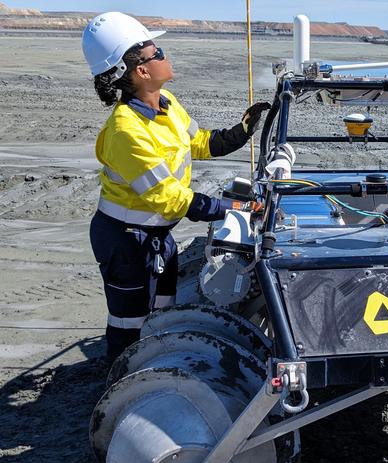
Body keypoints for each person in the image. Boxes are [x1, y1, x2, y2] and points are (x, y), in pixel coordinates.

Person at [81, 12, 270, 362]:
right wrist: (231, 209)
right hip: (127, 241)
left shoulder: (166, 106)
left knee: (161, 311)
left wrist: (238, 134)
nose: (166, 57)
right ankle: (122, 378)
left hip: (154, 236)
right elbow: (168, 198)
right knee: (130, 322)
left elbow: (196, 142)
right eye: (159, 52)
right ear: (141, 70)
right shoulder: (127, 131)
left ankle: (155, 361)